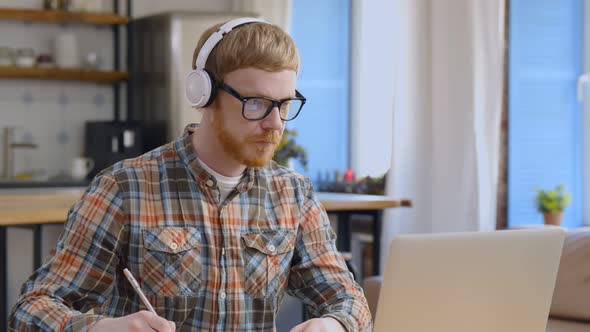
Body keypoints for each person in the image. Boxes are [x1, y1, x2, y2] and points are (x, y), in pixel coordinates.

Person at [9, 17, 371, 332]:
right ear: (205, 94)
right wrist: (99, 327)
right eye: (256, 103)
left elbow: (349, 299)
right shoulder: (124, 188)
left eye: (285, 104)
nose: (275, 124)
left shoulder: (293, 194)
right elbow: (30, 310)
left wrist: (334, 323)